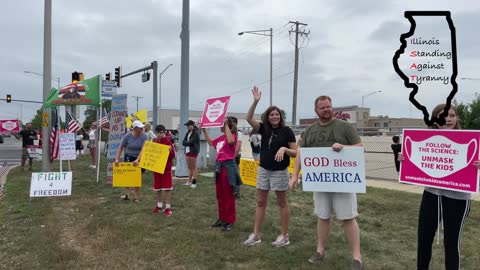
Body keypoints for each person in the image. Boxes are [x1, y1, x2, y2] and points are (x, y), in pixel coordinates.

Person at [399, 104, 480, 270]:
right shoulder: (424, 142)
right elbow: (409, 176)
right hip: (431, 195)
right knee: (423, 240)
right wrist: (405, 160)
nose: (448, 119)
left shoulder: (471, 141)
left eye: (452, 115)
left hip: (458, 199)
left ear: (457, 118)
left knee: (451, 243)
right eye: (444, 115)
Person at [289, 95, 363, 270]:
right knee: (322, 216)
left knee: (348, 217)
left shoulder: (344, 127)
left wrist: (344, 148)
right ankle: (320, 251)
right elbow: (301, 153)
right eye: (322, 108)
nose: (327, 110)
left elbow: (360, 147)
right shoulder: (309, 130)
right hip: (320, 181)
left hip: (344, 181)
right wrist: (294, 175)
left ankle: (357, 257)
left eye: (329, 106)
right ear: (316, 111)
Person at [243, 86, 297, 247]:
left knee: (282, 202)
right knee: (260, 201)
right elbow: (248, 118)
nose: (275, 116)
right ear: (268, 117)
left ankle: (284, 236)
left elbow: (295, 153)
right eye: (272, 114)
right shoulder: (263, 128)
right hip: (263, 170)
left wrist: (284, 149)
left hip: (280, 171)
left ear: (281, 117)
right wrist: (255, 101)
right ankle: (256, 234)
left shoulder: (287, 131)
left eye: (277, 114)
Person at [201, 117, 241, 231]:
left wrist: (226, 124)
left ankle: (230, 220)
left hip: (227, 168)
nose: (219, 126)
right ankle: (222, 218)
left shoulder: (231, 136)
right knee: (220, 195)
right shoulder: (221, 138)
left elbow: (231, 141)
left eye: (221, 124)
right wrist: (204, 131)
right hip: (219, 167)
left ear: (228, 126)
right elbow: (210, 142)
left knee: (228, 195)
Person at [136, 125, 175, 217]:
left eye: (161, 132)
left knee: (167, 188)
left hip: (166, 169)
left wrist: (170, 151)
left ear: (164, 132)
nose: (159, 134)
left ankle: (168, 207)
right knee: (157, 188)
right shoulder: (154, 141)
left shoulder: (168, 142)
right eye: (157, 132)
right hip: (156, 169)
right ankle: (159, 206)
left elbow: (172, 156)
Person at [114, 120, 149, 203]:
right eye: (140, 128)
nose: (142, 129)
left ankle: (136, 196)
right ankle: (127, 194)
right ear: (135, 128)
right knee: (127, 176)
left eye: (142, 127)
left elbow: (144, 149)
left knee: (137, 177)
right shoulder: (128, 136)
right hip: (128, 157)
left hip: (139, 158)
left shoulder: (144, 136)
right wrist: (117, 159)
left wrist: (137, 159)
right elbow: (121, 147)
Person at [182, 120, 200, 188]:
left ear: (192, 125)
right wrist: (187, 142)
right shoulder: (188, 133)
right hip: (187, 151)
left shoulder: (196, 133)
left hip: (193, 151)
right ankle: (189, 181)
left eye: (188, 125)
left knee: (193, 167)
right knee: (189, 167)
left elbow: (192, 142)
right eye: (187, 126)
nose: (187, 127)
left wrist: (187, 142)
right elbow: (183, 142)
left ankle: (194, 182)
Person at [231, 116, 243, 199]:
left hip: (234, 157)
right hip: (229, 156)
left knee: (235, 175)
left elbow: (238, 147)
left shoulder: (238, 133)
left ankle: (236, 194)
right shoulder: (229, 132)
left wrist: (233, 157)